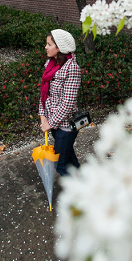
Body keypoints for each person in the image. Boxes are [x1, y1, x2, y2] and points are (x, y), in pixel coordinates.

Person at [39, 29, 81, 176]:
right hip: (53, 123)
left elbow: (68, 103)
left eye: (49, 44)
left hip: (65, 126)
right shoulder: (50, 64)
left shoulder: (72, 69)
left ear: (60, 47)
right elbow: (45, 93)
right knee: (69, 158)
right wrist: (43, 115)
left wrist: (50, 123)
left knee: (61, 165)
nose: (46, 47)